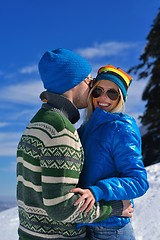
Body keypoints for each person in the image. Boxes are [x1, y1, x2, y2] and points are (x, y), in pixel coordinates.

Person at [16, 50, 133, 240]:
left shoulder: (37, 123)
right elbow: (61, 208)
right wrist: (115, 208)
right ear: (73, 82)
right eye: (88, 79)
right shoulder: (61, 131)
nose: (91, 85)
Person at [71, 64, 149, 240]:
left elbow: (138, 181)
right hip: (89, 223)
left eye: (112, 93)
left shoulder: (121, 129)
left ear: (120, 98)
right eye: (98, 91)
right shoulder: (85, 129)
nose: (103, 97)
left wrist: (98, 190)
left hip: (111, 230)